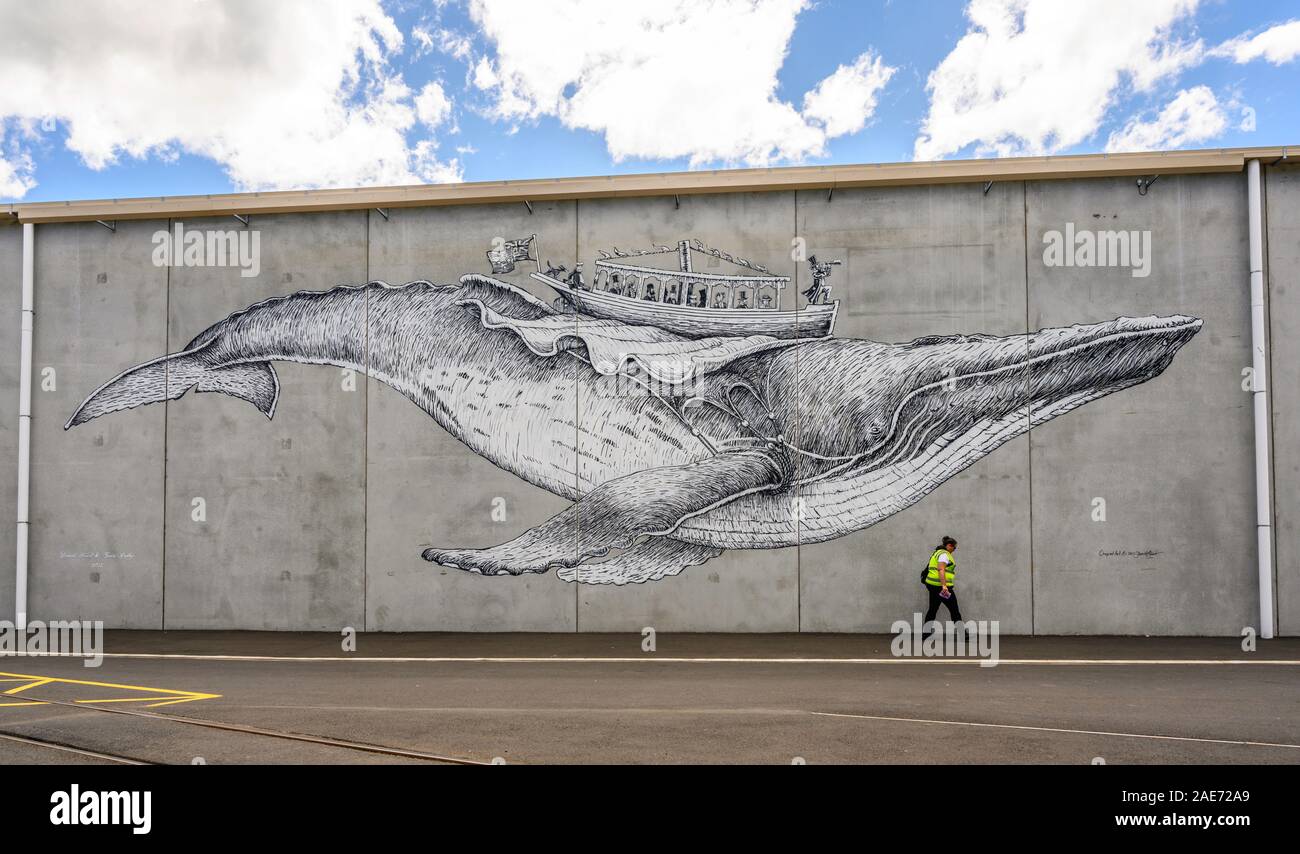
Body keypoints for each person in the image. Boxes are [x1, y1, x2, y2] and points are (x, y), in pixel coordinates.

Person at [921, 536, 961, 635]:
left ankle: (925, 633)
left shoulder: (936, 552)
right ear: (949, 545)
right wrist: (944, 586)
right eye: (954, 548)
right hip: (941, 587)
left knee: (933, 609)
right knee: (954, 610)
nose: (954, 550)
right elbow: (941, 569)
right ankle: (963, 634)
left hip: (932, 585)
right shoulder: (944, 554)